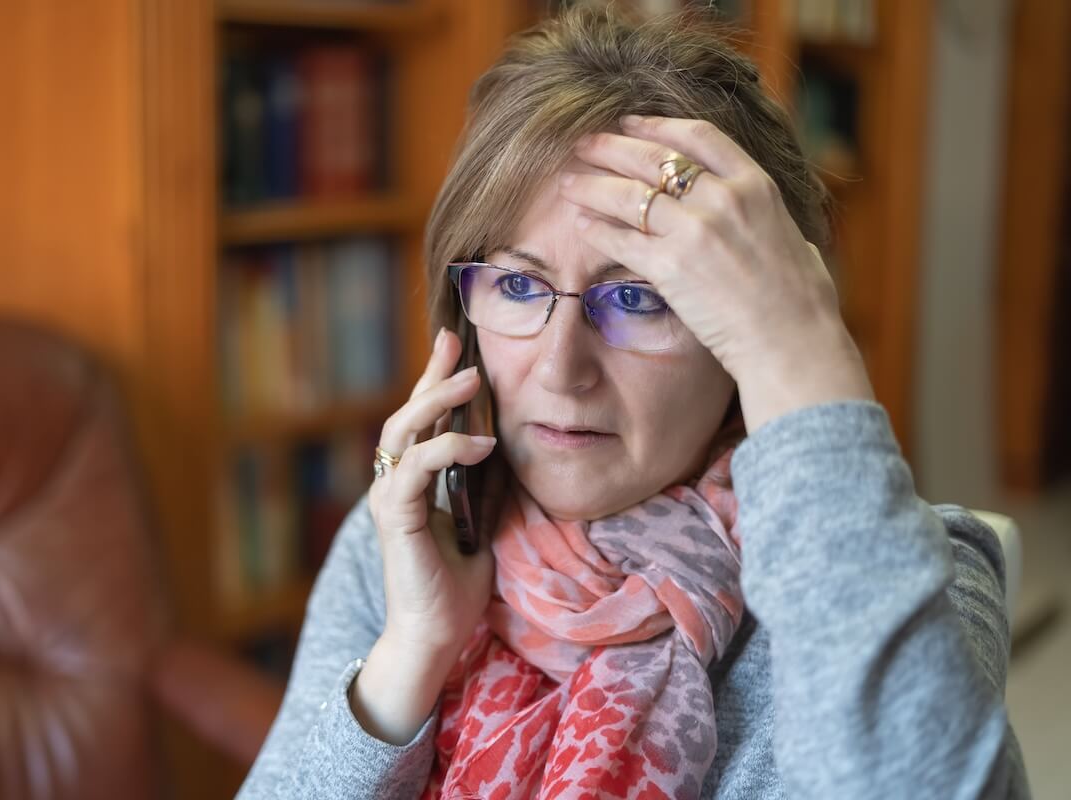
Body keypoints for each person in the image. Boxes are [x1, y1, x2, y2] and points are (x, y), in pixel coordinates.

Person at [236, 5, 1030, 798]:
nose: (560, 368)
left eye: (639, 298)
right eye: (517, 284)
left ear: (748, 332)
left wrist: (806, 357)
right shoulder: (415, 537)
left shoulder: (913, 573)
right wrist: (409, 653)